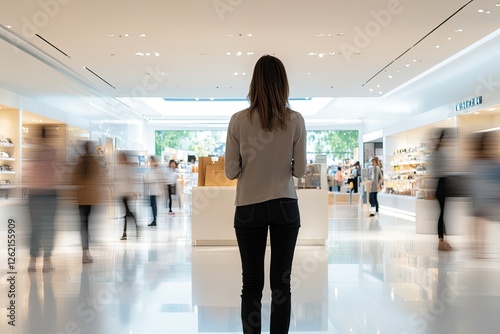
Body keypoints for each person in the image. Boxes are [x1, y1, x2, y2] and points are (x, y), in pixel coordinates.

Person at [225, 54, 307, 334]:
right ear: (283, 84)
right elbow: (300, 171)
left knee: (251, 283)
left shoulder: (238, 120)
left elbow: (230, 171)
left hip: (248, 207)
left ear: (254, 83)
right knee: (282, 284)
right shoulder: (295, 120)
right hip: (285, 204)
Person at [26, 127, 60, 272]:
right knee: (48, 227)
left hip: (34, 193)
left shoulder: (34, 151)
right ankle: (47, 260)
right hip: (49, 193)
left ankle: (33, 261)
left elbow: (30, 172)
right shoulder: (53, 152)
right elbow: (58, 172)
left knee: (35, 227)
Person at [72, 141, 105, 263]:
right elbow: (99, 179)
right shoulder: (94, 162)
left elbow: (74, 179)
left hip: (82, 197)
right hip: (90, 197)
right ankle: (86, 250)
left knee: (83, 224)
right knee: (87, 223)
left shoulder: (80, 162)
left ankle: (85, 250)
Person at [115, 152, 138, 240]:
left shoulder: (128, 169)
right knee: (126, 213)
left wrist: (132, 192)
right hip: (121, 194)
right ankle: (125, 233)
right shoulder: (118, 169)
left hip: (126, 194)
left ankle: (127, 232)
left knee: (128, 213)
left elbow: (132, 181)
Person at [145, 156, 164, 226]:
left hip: (154, 191)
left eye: (150, 162)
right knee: (153, 205)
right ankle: (154, 219)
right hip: (152, 191)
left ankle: (154, 220)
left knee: (153, 205)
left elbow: (158, 179)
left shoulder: (156, 170)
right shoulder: (153, 170)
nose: (150, 163)